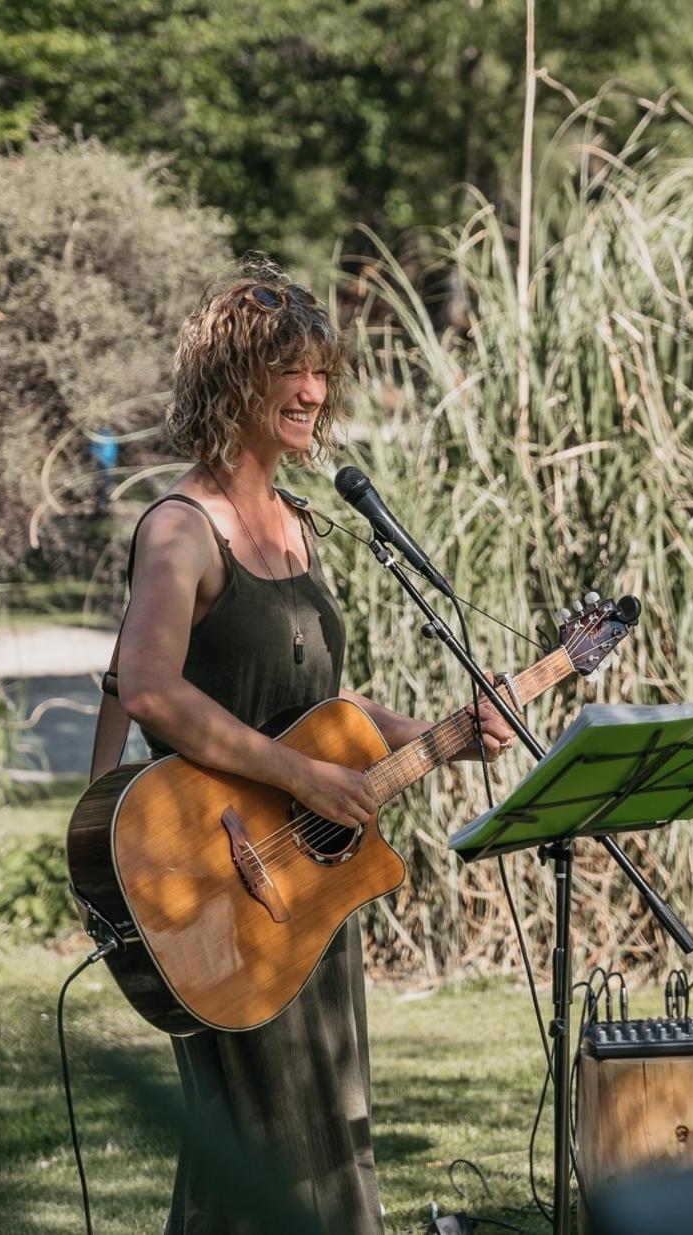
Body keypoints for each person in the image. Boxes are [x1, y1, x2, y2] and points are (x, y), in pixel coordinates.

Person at [115, 261, 515, 1235]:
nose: (313, 392)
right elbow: (150, 688)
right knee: (267, 1150)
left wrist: (446, 736)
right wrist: (304, 776)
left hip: (306, 880)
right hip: (217, 878)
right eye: (289, 371)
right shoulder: (181, 528)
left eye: (320, 372)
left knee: (326, 1133)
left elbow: (318, 709)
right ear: (230, 382)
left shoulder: (299, 527)